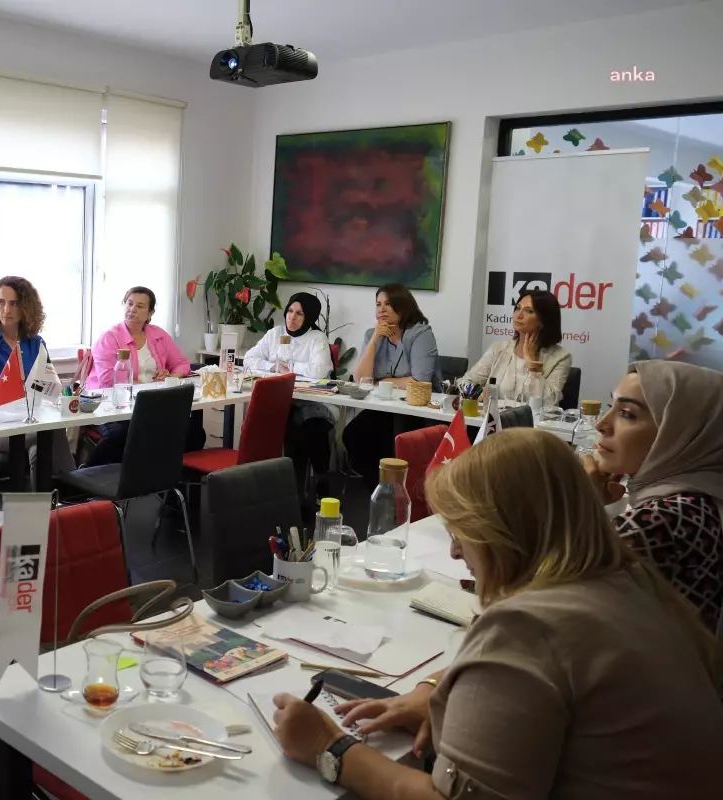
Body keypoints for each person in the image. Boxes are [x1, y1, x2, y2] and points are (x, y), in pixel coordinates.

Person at [272, 429, 722, 799]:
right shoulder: (629, 583)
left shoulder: (526, 627)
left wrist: (329, 747)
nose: (453, 549)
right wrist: (443, 691)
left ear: (505, 531)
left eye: (461, 532)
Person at [582, 360, 723, 634]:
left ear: (679, 432)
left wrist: (581, 505)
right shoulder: (696, 501)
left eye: (626, 413)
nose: (601, 424)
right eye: (610, 406)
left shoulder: (661, 518)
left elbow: (546, 596)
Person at [0, 276, 75, 479]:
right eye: (1, 302)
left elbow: (47, 382)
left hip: (32, 421)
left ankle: (37, 509)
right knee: (52, 433)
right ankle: (71, 498)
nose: (6, 310)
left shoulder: (35, 342)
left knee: (39, 449)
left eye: (13, 303)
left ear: (25, 307)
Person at [84, 286, 201, 467]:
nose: (132, 309)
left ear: (150, 312)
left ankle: (165, 475)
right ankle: (84, 480)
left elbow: (182, 364)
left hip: (152, 403)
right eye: (129, 304)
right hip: (111, 405)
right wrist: (149, 386)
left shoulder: (159, 335)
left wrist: (170, 376)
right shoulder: (109, 338)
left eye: (140, 306)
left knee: (193, 431)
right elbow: (109, 380)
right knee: (123, 435)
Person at [343, 284, 439, 489]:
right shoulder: (372, 334)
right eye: (378, 304)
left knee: (394, 440)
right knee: (353, 435)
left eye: (388, 304)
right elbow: (361, 379)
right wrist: (374, 341)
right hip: (384, 407)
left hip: (417, 409)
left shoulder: (420, 333)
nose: (381, 310)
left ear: (403, 307)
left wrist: (381, 381)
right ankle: (380, 489)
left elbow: (420, 381)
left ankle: (398, 493)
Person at [243, 292, 335, 499]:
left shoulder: (316, 338)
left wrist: (290, 367)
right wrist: (274, 366)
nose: (292, 318)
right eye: (290, 311)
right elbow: (249, 359)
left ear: (309, 317)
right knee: (284, 423)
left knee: (310, 424)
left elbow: (319, 370)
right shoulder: (276, 333)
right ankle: (285, 490)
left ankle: (315, 484)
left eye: (300, 314)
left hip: (311, 401)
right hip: (279, 400)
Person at [460, 289, 571, 405]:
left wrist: (533, 364)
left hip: (533, 422)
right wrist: (477, 392)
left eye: (529, 311)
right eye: (518, 308)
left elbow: (549, 403)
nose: (519, 315)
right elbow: (464, 382)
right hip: (494, 420)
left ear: (544, 321)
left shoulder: (560, 358)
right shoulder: (498, 348)